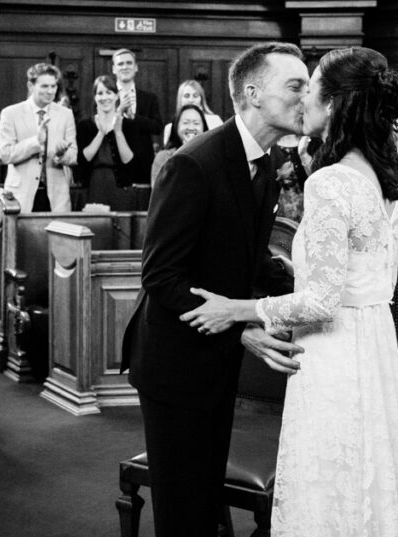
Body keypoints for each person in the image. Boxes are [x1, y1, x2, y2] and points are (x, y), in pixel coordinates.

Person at [180, 46, 398, 537]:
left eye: (309, 87)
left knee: (330, 490)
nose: (303, 100)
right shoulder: (386, 176)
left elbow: (320, 300)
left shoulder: (333, 182)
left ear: (334, 103)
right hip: (375, 348)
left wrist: (238, 309)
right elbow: (361, 277)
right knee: (369, 480)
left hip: (334, 353)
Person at [120, 42, 306, 537]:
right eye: (295, 86)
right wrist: (243, 328)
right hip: (174, 365)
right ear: (252, 93)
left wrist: (307, 285)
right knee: (183, 515)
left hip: (216, 363)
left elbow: (246, 256)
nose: (306, 97)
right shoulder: (193, 164)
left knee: (204, 504)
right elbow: (161, 278)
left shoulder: (265, 162)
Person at [0, 62, 77, 213]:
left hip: (56, 197)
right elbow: (6, 155)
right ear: (31, 86)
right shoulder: (10, 113)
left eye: (53, 86)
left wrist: (61, 155)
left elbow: (73, 156)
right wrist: (35, 142)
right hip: (21, 197)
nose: (50, 91)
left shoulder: (65, 114)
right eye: (44, 86)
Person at [76, 75, 144, 210]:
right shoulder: (85, 125)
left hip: (120, 187)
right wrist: (101, 133)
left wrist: (118, 132)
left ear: (116, 96)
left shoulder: (129, 125)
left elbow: (128, 160)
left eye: (109, 92)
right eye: (100, 93)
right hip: (94, 186)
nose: (104, 97)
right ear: (95, 97)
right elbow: (84, 158)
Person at [110, 48, 162, 183]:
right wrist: (119, 111)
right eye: (120, 64)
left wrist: (135, 118)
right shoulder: (106, 97)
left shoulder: (149, 98)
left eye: (129, 63)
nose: (125, 67)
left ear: (136, 67)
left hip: (143, 165)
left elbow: (157, 127)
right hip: (114, 164)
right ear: (114, 69)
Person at [150, 103, 208, 190]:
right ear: (176, 126)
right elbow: (159, 193)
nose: (191, 127)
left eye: (196, 123)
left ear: (204, 128)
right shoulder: (163, 157)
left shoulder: (211, 157)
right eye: (186, 123)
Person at [161, 79, 223, 145]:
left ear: (201, 99)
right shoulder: (169, 128)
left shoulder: (215, 121)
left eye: (195, 96)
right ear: (180, 100)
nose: (191, 100)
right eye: (187, 96)